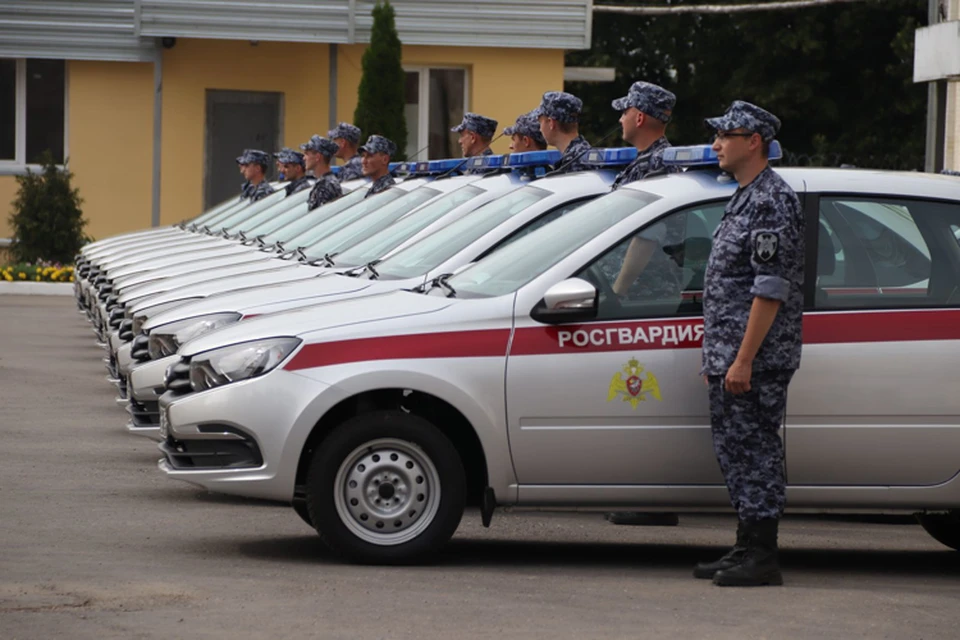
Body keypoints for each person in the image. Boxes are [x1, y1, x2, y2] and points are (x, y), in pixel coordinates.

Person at [694, 100, 804, 587]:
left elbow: (769, 288)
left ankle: (763, 556)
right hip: (732, 357)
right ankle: (746, 545)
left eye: (725, 135)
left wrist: (742, 360)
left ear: (753, 141)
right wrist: (718, 358)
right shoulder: (744, 195)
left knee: (756, 452)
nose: (716, 144)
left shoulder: (771, 201)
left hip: (756, 360)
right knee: (736, 452)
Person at [604, 81, 684, 529]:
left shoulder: (657, 167)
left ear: (639, 117)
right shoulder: (647, 163)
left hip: (643, 296)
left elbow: (646, 237)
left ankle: (654, 497)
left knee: (642, 394)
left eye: (623, 112)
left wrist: (617, 289)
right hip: (640, 294)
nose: (618, 119)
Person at [534, 91, 592, 174]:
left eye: (540, 122)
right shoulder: (579, 155)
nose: (540, 129)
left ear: (551, 123)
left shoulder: (575, 163)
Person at [300, 135, 343, 210]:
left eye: (306, 154)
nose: (304, 158)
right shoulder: (324, 182)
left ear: (317, 157)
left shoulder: (326, 186)